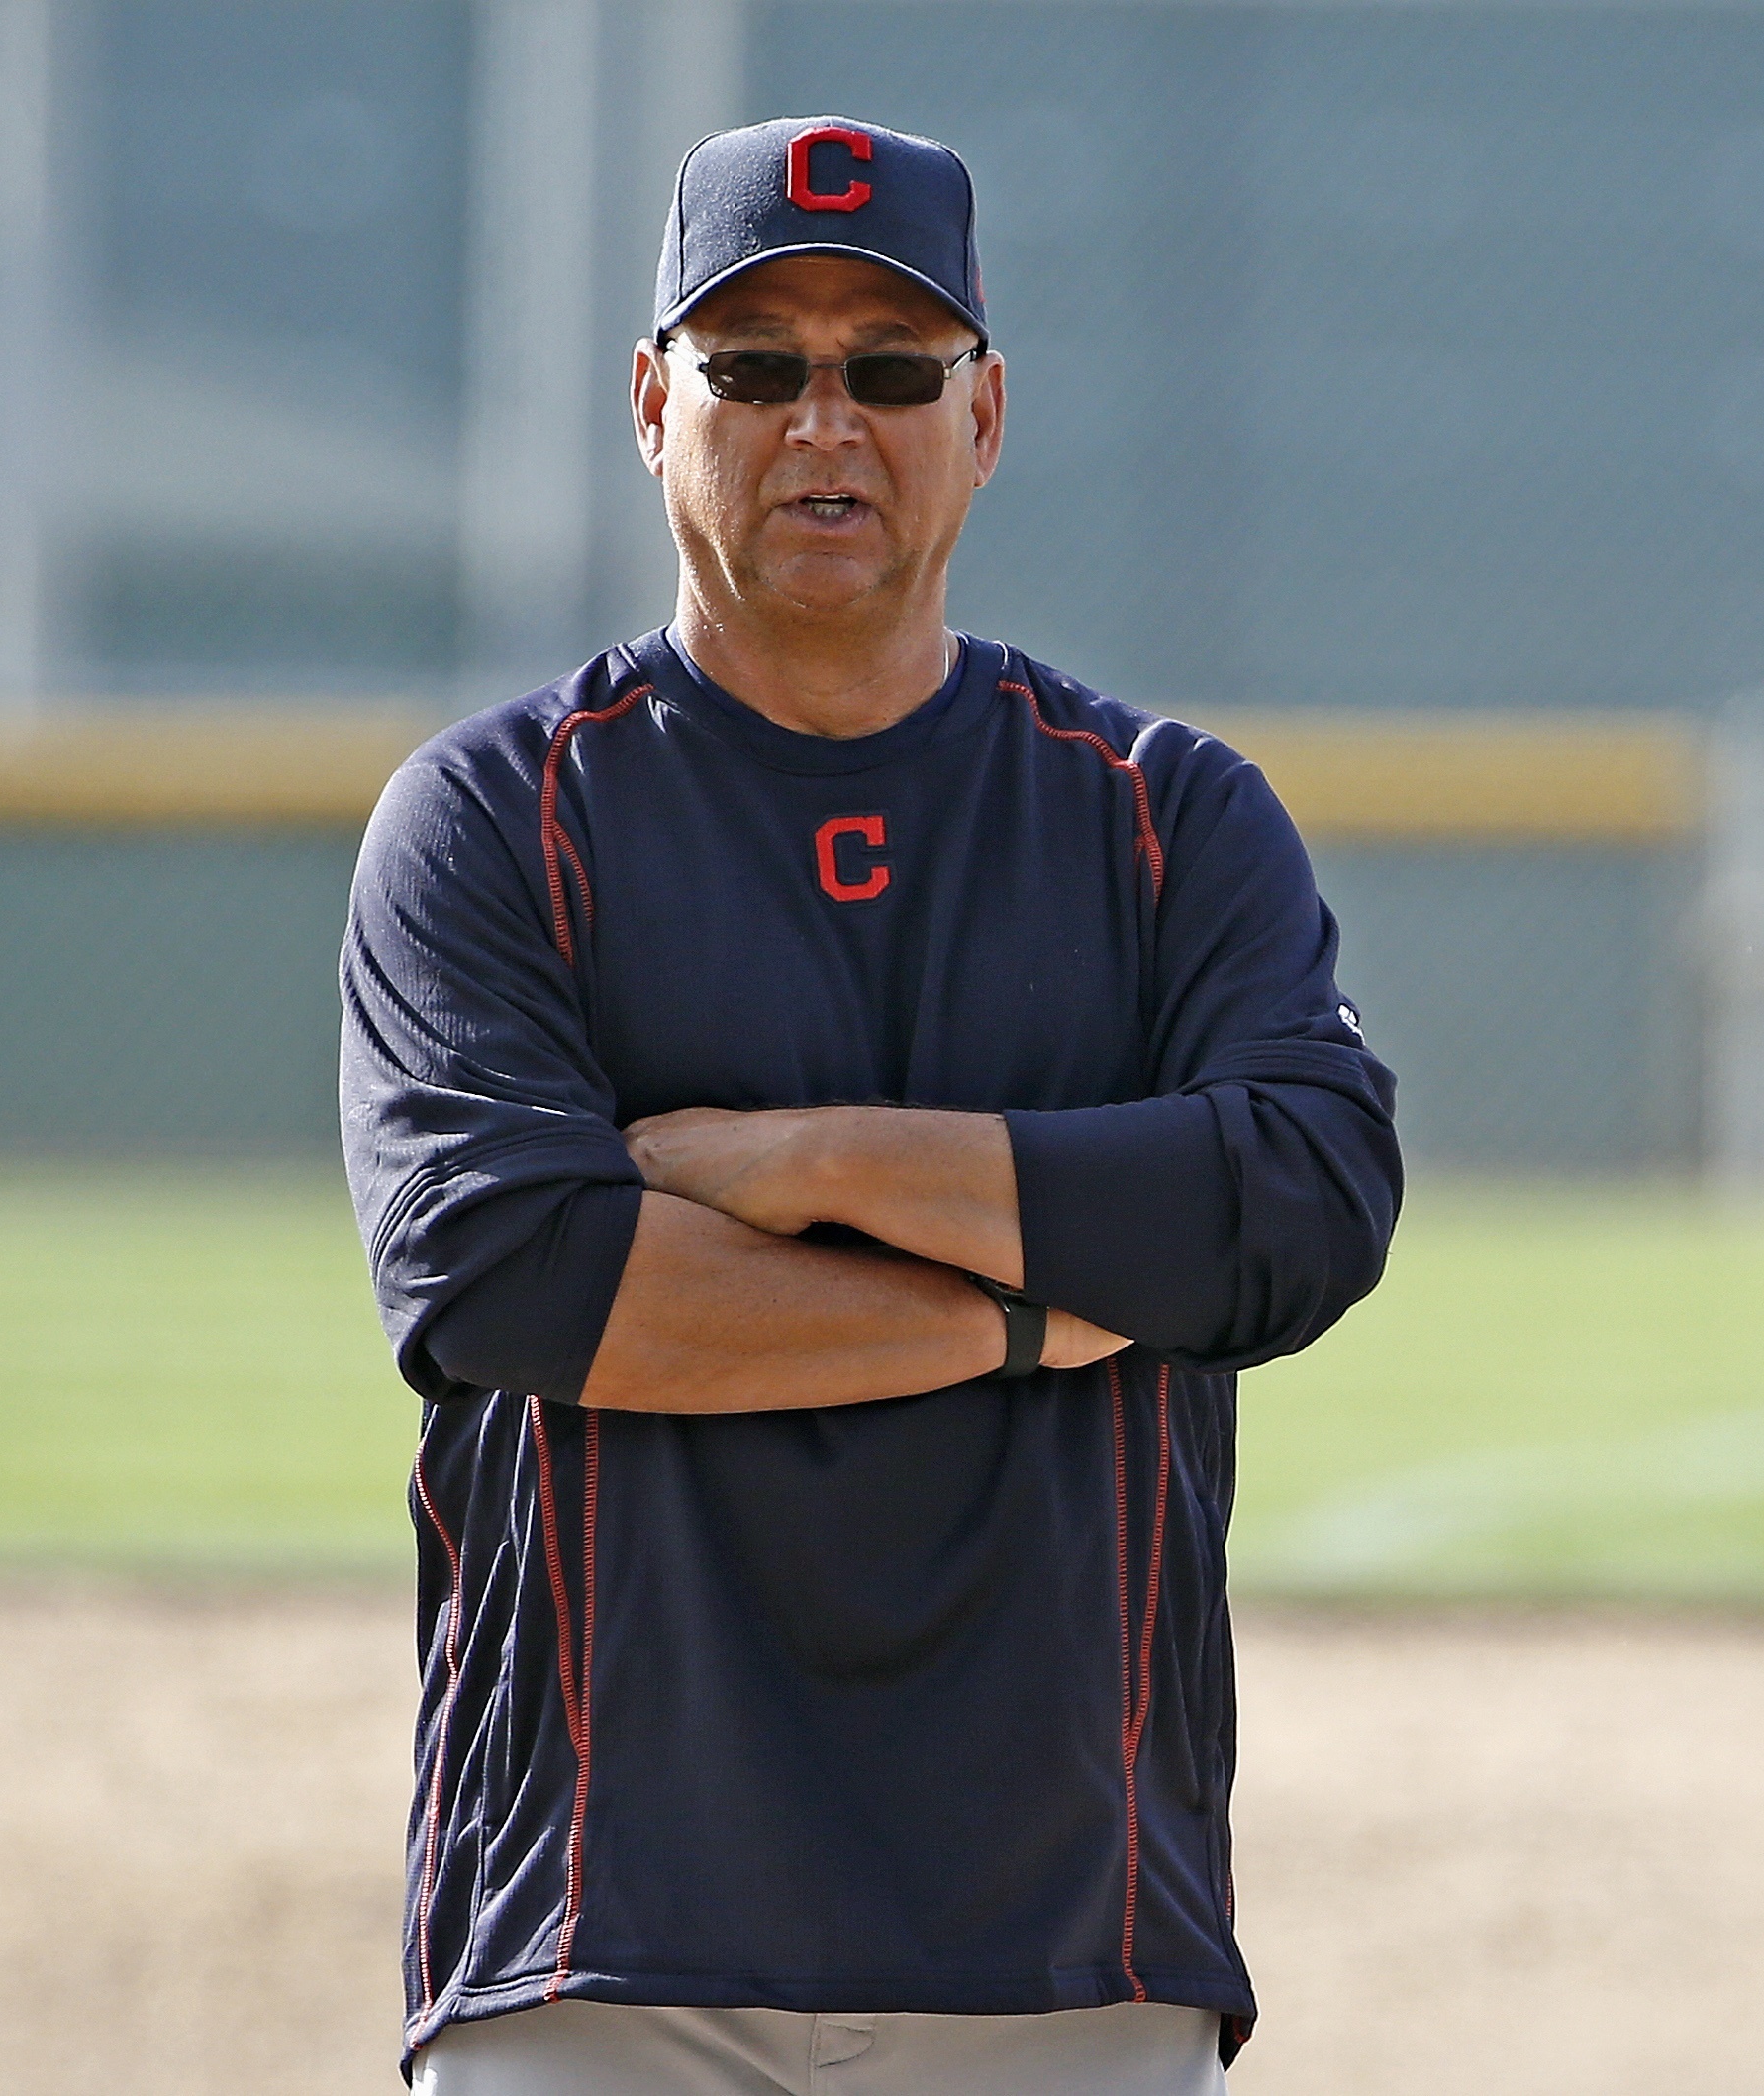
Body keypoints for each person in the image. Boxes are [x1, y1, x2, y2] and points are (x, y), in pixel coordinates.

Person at [340, 115, 1401, 2094]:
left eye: (892, 369)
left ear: (983, 416)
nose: (827, 420)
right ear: (656, 405)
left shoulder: (1163, 816)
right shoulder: (499, 816)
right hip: (601, 1926)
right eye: (756, 366)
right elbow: (515, 1281)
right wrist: (1041, 1301)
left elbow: (1305, 1203)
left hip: (1067, 1931)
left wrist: (812, 1160)